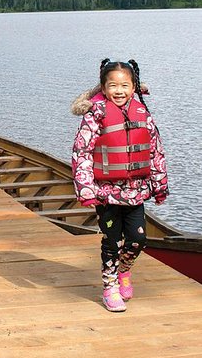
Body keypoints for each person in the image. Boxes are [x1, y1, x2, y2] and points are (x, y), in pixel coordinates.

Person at [71, 58, 169, 312]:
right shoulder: (95, 115)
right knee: (112, 242)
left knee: (138, 240)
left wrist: (159, 186)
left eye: (124, 85)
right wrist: (86, 189)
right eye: (112, 85)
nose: (119, 91)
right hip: (106, 194)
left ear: (134, 87)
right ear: (103, 88)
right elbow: (81, 152)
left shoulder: (142, 113)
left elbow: (155, 152)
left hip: (135, 192)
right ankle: (110, 286)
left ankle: (124, 270)